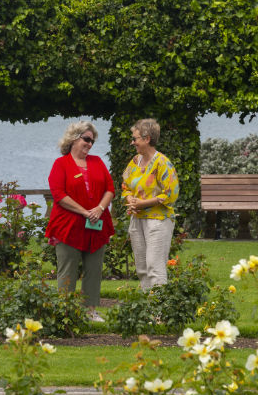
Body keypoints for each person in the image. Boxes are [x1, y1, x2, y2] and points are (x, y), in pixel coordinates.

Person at [45, 121, 115, 322]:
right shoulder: (61, 164)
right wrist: (84, 212)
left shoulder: (97, 162)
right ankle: (65, 312)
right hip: (68, 227)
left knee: (94, 269)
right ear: (74, 138)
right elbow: (59, 195)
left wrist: (99, 209)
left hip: (96, 225)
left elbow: (110, 189)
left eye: (92, 141)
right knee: (67, 270)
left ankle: (90, 311)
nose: (89, 144)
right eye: (86, 139)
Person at [121, 118, 180, 291]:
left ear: (147, 139)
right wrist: (130, 200)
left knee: (155, 267)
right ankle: (147, 306)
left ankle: (158, 307)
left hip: (158, 221)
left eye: (135, 138)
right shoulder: (134, 161)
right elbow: (125, 186)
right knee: (142, 269)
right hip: (137, 220)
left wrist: (144, 203)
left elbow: (171, 193)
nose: (132, 142)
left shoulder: (162, 163)